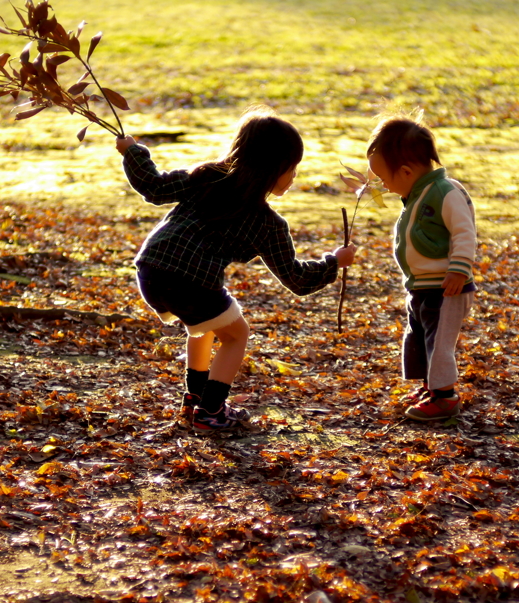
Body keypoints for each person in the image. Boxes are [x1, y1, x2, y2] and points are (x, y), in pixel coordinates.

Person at [116, 108, 357, 433]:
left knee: (202, 326)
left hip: (151, 269)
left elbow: (153, 186)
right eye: (292, 167)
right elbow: (296, 279)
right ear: (273, 168)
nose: (295, 175)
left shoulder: (203, 177)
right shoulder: (267, 224)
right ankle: (211, 411)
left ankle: (194, 399)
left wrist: (133, 152)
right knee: (236, 334)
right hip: (194, 282)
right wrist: (334, 263)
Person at [366, 115, 477, 420]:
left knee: (438, 341)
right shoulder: (417, 194)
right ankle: (431, 385)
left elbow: (464, 232)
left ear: (406, 171)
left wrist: (459, 269)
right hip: (422, 286)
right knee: (419, 336)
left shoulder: (445, 192)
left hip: (447, 286)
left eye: (384, 178)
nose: (383, 186)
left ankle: (445, 397)